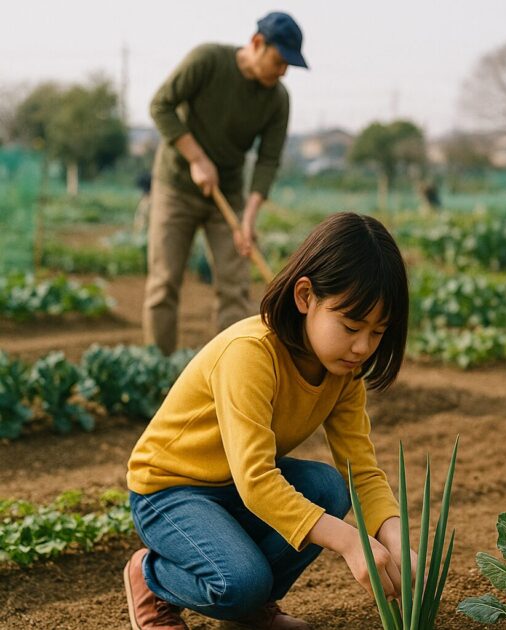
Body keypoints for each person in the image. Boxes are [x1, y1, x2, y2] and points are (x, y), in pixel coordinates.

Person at [123, 213, 415, 630]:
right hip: (169, 491)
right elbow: (258, 480)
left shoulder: (343, 373)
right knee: (239, 581)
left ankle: (251, 611)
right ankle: (150, 579)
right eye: (350, 326)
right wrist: (350, 540)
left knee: (329, 488)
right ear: (305, 296)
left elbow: (361, 471)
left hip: (233, 489)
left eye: (378, 332)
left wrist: (395, 536)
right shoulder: (251, 353)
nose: (362, 346)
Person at [144, 11, 307, 355]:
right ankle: (156, 371)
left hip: (229, 194)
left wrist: (248, 218)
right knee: (164, 283)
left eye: (288, 66)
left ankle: (231, 371)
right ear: (257, 44)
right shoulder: (208, 60)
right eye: (279, 61)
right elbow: (161, 106)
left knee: (234, 288)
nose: (283, 72)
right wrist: (197, 159)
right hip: (176, 186)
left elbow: (268, 160)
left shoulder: (278, 99)